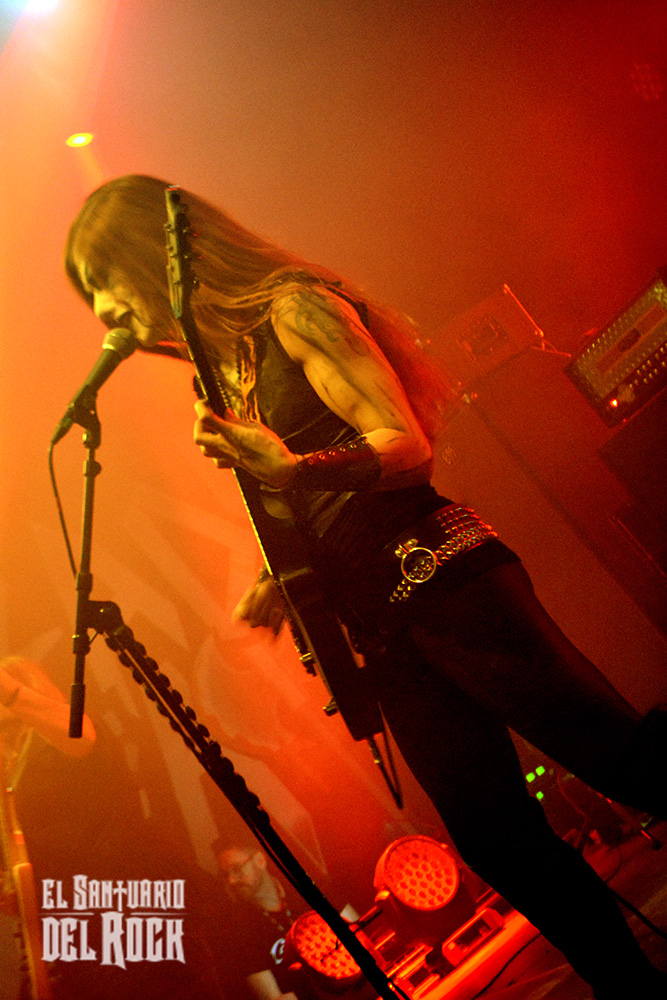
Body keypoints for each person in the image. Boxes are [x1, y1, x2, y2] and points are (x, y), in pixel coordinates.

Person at [63, 174, 667, 999]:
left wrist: (290, 468)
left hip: (439, 573)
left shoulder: (294, 308)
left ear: (151, 254)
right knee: (494, 839)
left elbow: (405, 444)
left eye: (101, 279)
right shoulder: (222, 376)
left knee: (618, 758)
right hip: (380, 625)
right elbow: (309, 504)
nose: (102, 310)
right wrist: (280, 578)